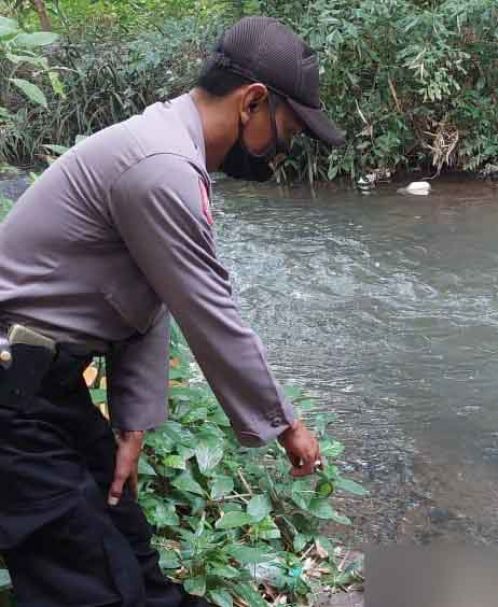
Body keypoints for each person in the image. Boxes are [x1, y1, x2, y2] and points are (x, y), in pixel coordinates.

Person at [0, 16, 345, 606]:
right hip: (13, 394)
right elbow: (207, 309)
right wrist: (287, 424)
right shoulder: (160, 163)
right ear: (253, 101)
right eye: (285, 134)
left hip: (44, 388)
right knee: (90, 585)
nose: (282, 153)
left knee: (130, 551)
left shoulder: (168, 149)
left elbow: (146, 298)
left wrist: (132, 420)